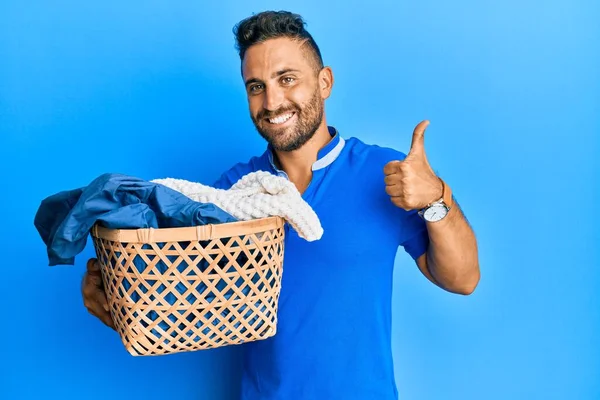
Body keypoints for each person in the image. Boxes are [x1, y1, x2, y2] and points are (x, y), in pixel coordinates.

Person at [82, 10, 480, 400]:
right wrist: (124, 305)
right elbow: (189, 306)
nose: (272, 102)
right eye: (256, 86)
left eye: (287, 79)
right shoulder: (232, 194)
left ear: (324, 82)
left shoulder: (385, 173)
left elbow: (462, 279)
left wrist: (436, 198)